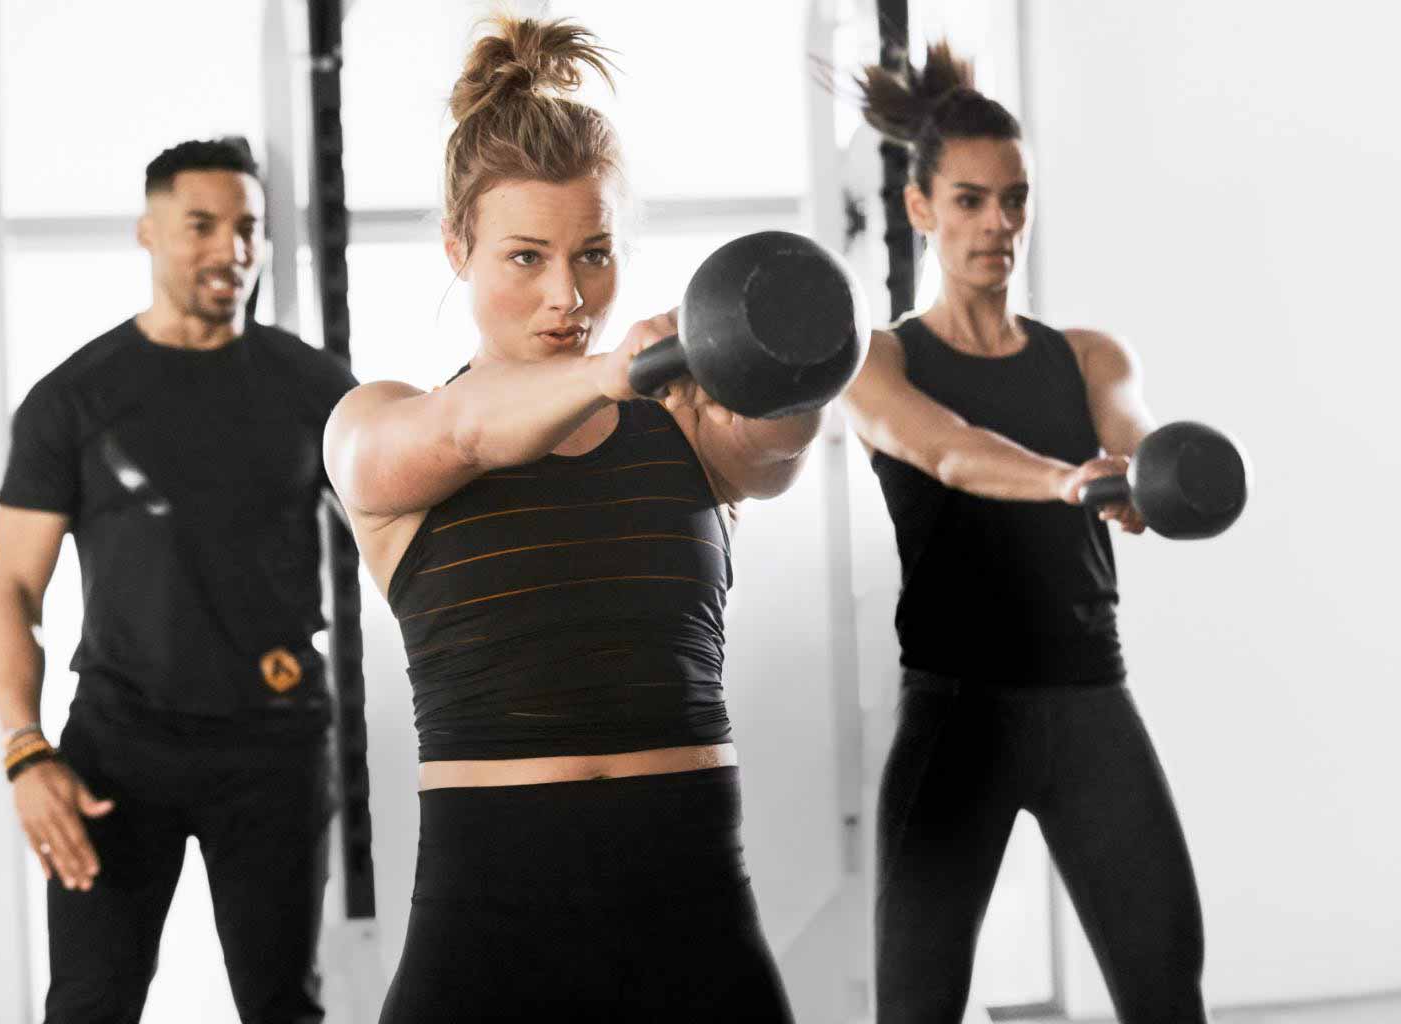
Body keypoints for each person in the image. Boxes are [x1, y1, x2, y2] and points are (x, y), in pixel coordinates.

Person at [323, 16, 819, 1022]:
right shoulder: (381, 424)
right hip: (489, 929)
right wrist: (616, 370)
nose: (568, 295)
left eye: (593, 253)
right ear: (458, 246)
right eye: (525, 258)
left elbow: (777, 450)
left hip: (696, 917)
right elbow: (467, 437)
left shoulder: (678, 420)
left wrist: (784, 352)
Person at [842, 43, 1209, 1024]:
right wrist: (1072, 483)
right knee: (916, 1009)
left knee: (1167, 991)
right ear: (920, 207)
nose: (998, 223)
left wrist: (1145, 481)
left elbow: (1137, 439)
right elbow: (953, 452)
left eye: (1015, 198)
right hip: (956, 713)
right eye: (970, 199)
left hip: (1090, 702)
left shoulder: (1088, 356)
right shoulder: (879, 362)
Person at [0, 138, 358, 1024]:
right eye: (202, 225)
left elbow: (397, 534)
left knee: (282, 1005)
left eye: (248, 228)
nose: (231, 248)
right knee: (89, 1004)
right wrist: (24, 749)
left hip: (274, 745)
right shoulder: (72, 399)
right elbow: (13, 588)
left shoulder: (313, 386)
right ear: (147, 234)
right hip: (120, 749)